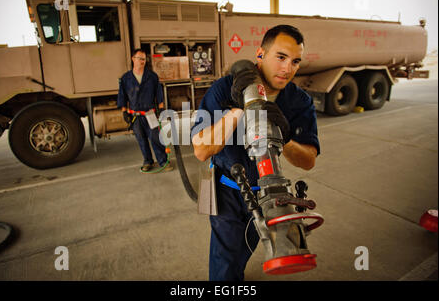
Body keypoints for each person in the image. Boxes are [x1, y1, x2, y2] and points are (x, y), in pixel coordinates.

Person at [191, 25, 320, 280]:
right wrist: (239, 110)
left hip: (268, 193)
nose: (288, 68)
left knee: (246, 249)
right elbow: (201, 150)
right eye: (281, 57)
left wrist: (285, 139)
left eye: (295, 62)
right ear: (260, 54)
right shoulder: (224, 89)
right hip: (226, 188)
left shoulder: (299, 101)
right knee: (224, 261)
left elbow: (308, 161)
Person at [118, 48, 172, 172]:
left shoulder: (152, 76)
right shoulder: (126, 78)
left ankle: (163, 161)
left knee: (155, 137)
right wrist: (124, 111)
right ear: (133, 59)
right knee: (141, 139)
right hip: (135, 115)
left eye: (144, 59)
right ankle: (148, 161)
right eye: (140, 58)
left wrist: (161, 110)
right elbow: (122, 95)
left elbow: (159, 94)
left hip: (150, 113)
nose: (142, 61)